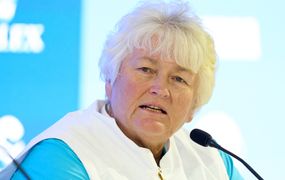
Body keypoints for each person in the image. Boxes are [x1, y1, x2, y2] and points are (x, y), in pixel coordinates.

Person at [1, 1, 243, 179]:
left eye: (179, 79)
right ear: (110, 79)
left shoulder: (213, 161)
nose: (161, 88)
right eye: (146, 69)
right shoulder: (61, 156)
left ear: (194, 105)